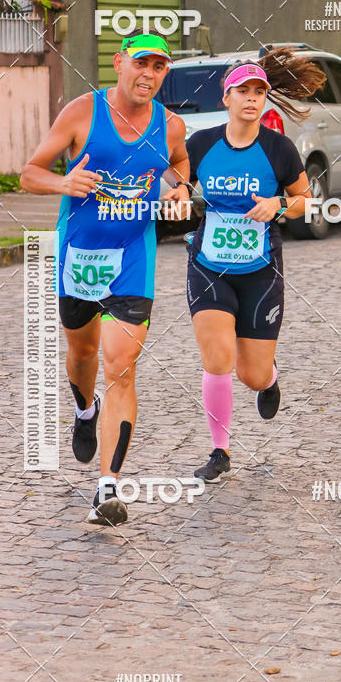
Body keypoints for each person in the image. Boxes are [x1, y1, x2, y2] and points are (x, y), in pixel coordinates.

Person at [21, 32, 191, 525]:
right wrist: (62, 181)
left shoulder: (170, 125)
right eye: (143, 63)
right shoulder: (80, 113)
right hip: (79, 255)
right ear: (119, 63)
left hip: (133, 256)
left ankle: (108, 488)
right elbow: (29, 173)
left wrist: (178, 187)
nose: (150, 74)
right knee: (83, 354)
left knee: (121, 365)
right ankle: (83, 409)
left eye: (160, 67)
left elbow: (178, 165)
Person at [184, 48, 324, 481]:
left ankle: (269, 379)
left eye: (259, 91)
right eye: (242, 90)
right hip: (209, 265)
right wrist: (176, 195)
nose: (251, 98)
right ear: (225, 98)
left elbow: (306, 202)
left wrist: (279, 203)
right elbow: (175, 183)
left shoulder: (279, 149)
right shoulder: (201, 143)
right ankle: (220, 452)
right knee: (218, 358)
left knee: (250, 373)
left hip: (261, 270)